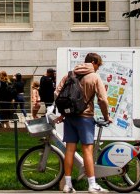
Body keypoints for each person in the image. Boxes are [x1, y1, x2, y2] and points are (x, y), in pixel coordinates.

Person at [56, 51, 112, 194]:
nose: (98, 68)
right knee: (87, 150)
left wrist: (64, 113)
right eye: (98, 65)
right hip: (85, 118)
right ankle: (92, 185)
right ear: (93, 62)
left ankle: (68, 185)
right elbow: (103, 100)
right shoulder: (94, 77)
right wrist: (107, 116)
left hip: (70, 118)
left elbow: (57, 93)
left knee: (69, 150)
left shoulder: (70, 75)